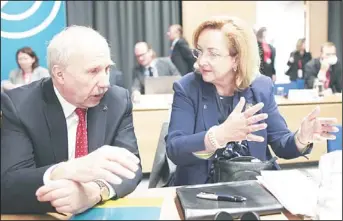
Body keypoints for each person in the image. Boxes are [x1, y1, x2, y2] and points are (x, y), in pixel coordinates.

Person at [165, 16, 339, 186]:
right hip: (202, 189)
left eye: (213, 54)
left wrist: (301, 138)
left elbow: (281, 144)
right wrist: (218, 136)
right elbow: (175, 149)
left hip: (254, 184)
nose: (201, 61)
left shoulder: (260, 87)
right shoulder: (187, 87)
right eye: (200, 51)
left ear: (237, 59)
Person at [1, 26, 142, 214]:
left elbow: (131, 167)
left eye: (107, 69)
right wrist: (67, 170)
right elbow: (9, 184)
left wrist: (93, 192)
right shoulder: (19, 105)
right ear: (59, 74)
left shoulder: (117, 100)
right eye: (93, 71)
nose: (105, 82)